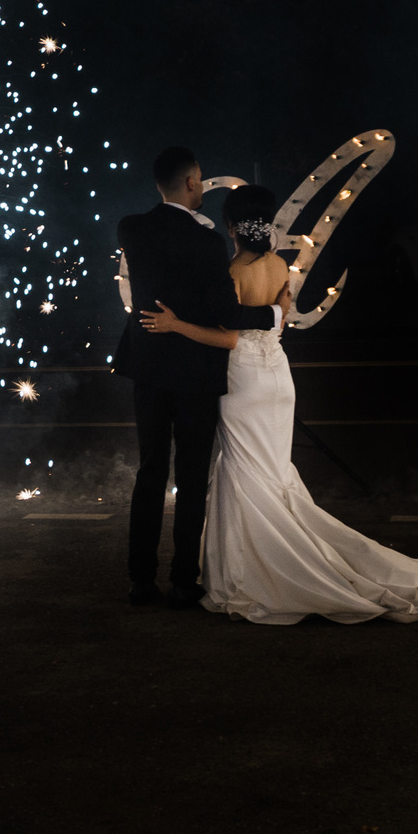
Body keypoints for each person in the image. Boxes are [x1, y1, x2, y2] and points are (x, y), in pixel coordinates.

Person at [140, 183, 418, 624]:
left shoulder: (231, 272)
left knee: (246, 471)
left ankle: (262, 569)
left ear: (230, 227)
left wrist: (175, 325)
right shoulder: (279, 264)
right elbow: (279, 319)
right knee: (272, 471)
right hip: (278, 378)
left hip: (244, 382)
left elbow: (229, 338)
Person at [116, 147, 292, 608]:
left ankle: (140, 580)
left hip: (148, 367)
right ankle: (182, 581)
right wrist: (275, 313)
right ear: (193, 181)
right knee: (192, 478)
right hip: (195, 370)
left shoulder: (130, 228)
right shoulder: (208, 241)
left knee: (150, 471)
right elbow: (226, 313)